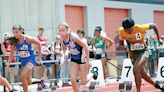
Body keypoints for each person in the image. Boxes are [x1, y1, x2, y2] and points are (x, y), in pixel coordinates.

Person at [118, 17, 163, 92]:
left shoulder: (139, 27)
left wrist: (159, 39)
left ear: (133, 26)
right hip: (134, 55)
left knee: (135, 69)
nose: (128, 31)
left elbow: (154, 25)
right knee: (144, 75)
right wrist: (128, 48)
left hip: (145, 51)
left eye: (130, 29)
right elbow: (120, 46)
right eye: (126, 30)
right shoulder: (121, 31)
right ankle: (158, 85)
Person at [8, 25, 43, 92]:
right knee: (29, 81)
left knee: (22, 77)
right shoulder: (14, 41)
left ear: (21, 31)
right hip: (23, 62)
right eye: (13, 32)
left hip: (31, 61)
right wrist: (9, 63)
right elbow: (11, 53)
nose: (15, 34)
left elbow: (38, 43)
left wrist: (39, 58)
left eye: (17, 32)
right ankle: (40, 81)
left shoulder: (27, 39)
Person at [58, 22, 91, 92]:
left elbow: (85, 46)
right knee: (72, 79)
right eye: (60, 30)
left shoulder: (73, 37)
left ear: (68, 30)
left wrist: (88, 60)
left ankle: (93, 74)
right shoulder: (61, 39)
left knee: (83, 82)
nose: (61, 32)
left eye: (63, 30)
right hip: (74, 58)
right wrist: (65, 54)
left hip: (82, 57)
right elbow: (64, 49)